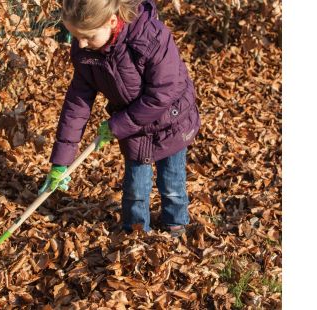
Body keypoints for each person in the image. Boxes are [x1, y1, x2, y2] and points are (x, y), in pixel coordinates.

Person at [39, 0, 201, 237]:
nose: (81, 44)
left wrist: (117, 125)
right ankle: (135, 233)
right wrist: (61, 161)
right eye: (75, 36)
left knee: (172, 183)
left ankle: (175, 224)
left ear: (112, 21)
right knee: (135, 187)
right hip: (133, 129)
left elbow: (161, 94)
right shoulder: (86, 51)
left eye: (88, 36)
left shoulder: (151, 38)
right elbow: (77, 103)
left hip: (171, 121)